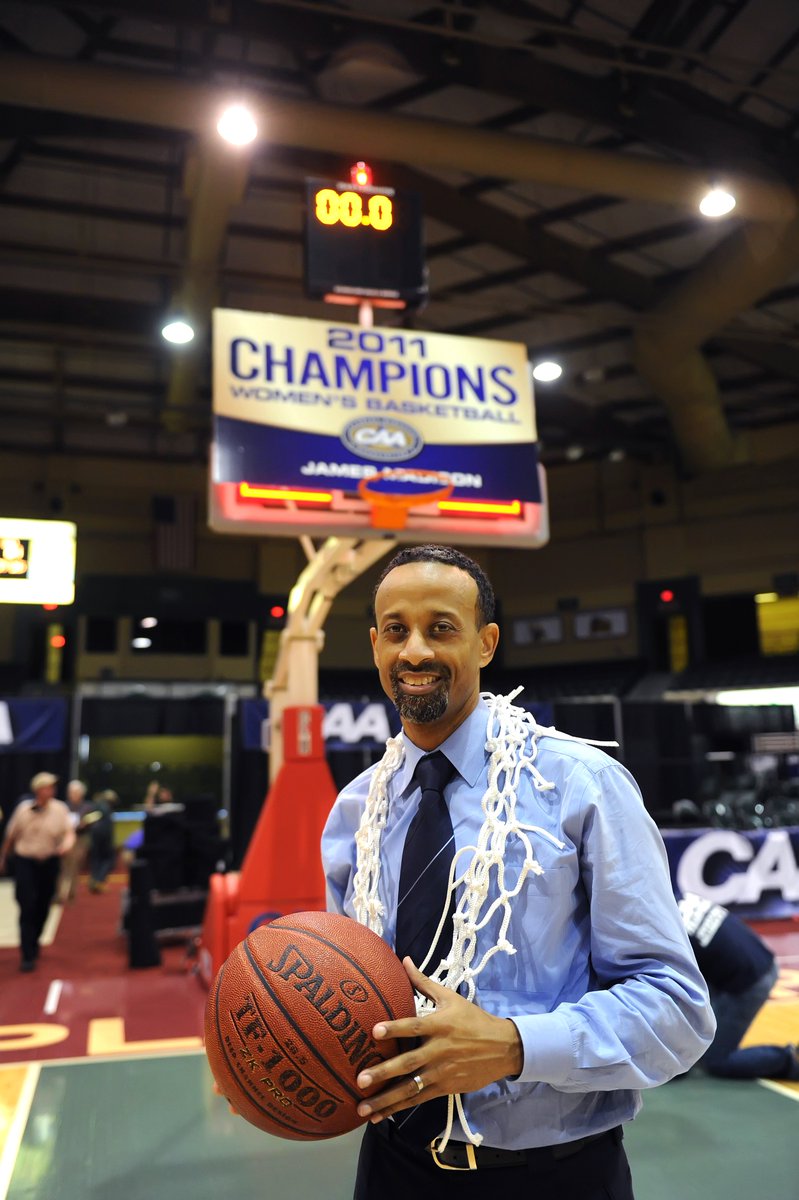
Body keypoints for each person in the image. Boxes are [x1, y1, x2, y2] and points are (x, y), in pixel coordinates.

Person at [321, 544, 714, 1200]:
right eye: (396, 630)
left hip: (551, 1176)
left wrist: (514, 1045)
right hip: (390, 1166)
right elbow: (341, 997)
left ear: (485, 643)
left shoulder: (579, 784)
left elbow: (676, 1008)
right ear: (374, 645)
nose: (414, 651)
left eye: (440, 628)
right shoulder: (355, 810)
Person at [678, 891, 799, 1081]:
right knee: (692, 1043)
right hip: (757, 958)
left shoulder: (665, 929)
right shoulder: (675, 898)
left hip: (749, 982)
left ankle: (789, 1060)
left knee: (716, 1060)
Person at [0, 771, 75, 970]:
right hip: (26, 862)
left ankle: (34, 939)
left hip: (49, 862)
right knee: (27, 904)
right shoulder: (23, 810)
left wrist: (66, 845)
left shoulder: (60, 809)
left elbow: (69, 833)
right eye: (47, 786)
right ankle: (27, 954)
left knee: (43, 905)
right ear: (38, 789)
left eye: (53, 786)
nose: (52, 790)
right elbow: (10, 836)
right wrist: (3, 857)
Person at [57, 779, 91, 903]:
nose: (73, 794)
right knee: (62, 868)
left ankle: (71, 894)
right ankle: (59, 894)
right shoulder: (63, 807)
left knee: (75, 867)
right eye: (71, 792)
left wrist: (84, 824)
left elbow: (92, 822)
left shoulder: (87, 807)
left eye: (76, 792)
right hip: (64, 839)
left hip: (80, 839)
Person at [87, 788, 119, 893]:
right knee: (108, 859)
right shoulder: (106, 808)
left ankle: (94, 880)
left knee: (96, 858)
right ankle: (99, 881)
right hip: (105, 837)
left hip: (95, 836)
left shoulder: (95, 806)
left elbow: (88, 820)